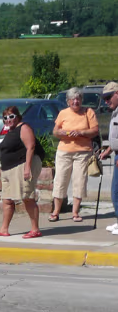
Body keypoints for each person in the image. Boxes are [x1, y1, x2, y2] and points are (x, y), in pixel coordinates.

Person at [0, 105, 44, 238]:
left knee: (27, 197)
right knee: (7, 200)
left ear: (18, 117)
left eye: (11, 116)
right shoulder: (11, 131)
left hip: (21, 166)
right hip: (8, 169)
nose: (8, 119)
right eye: (5, 118)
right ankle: (4, 229)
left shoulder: (23, 127)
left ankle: (35, 229)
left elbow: (31, 147)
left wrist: (27, 168)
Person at [50, 87, 99, 222]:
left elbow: (95, 130)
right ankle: (56, 211)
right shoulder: (63, 113)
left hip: (83, 152)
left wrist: (81, 132)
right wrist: (61, 133)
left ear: (81, 100)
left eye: (78, 99)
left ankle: (75, 213)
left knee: (79, 181)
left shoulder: (88, 112)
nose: (75, 102)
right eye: (73, 99)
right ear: (68, 101)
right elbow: (55, 131)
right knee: (60, 180)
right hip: (64, 151)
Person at [100, 81, 118, 235]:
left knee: (116, 192)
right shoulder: (116, 111)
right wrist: (108, 151)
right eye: (104, 98)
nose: (106, 101)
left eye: (108, 97)